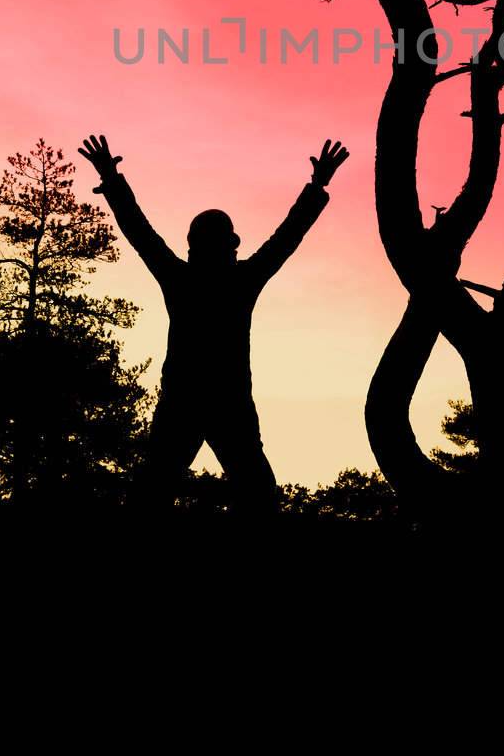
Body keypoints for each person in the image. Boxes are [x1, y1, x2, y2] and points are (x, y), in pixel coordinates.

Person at [77, 131, 349, 517]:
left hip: (195, 402)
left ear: (194, 245)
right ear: (230, 246)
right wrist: (317, 186)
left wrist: (112, 180)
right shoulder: (236, 280)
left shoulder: (186, 278)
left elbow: (141, 232)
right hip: (217, 402)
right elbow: (286, 237)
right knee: (245, 496)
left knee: (160, 494)